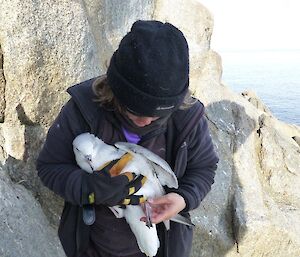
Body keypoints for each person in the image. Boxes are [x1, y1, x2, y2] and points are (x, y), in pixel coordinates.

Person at [37, 20, 219, 257]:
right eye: (134, 110)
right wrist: (90, 189)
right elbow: (49, 168)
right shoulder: (83, 109)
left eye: (157, 116)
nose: (145, 121)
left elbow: (204, 167)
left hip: (165, 248)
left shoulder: (187, 118)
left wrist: (182, 198)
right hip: (93, 248)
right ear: (114, 89)